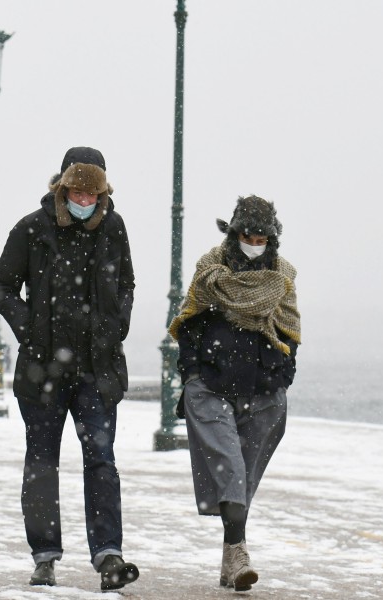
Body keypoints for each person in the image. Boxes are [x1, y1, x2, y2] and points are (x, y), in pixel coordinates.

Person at [0, 147, 139, 591]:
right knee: (41, 462)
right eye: (77, 190)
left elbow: (127, 283)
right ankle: (44, 555)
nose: (84, 199)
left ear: (104, 192)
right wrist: (30, 331)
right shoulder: (33, 228)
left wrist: (116, 329)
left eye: (93, 193)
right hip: (42, 371)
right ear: (62, 186)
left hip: (97, 369)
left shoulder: (114, 228)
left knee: (101, 461)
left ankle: (109, 555)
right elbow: (2, 285)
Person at [169, 196, 301, 591]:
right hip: (211, 385)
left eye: (263, 237)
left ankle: (231, 553)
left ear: (272, 239)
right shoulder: (210, 272)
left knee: (243, 475)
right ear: (233, 233)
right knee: (229, 466)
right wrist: (192, 373)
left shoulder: (283, 277)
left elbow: (290, 332)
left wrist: (283, 374)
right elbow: (187, 323)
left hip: (263, 391)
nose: (255, 242)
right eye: (248, 235)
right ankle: (240, 551)